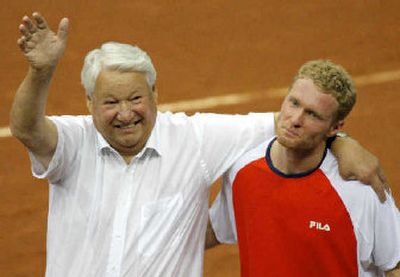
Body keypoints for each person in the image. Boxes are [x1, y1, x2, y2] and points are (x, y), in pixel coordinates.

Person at [10, 12, 390, 277]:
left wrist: (341, 141)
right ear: (89, 103)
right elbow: (28, 129)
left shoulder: (196, 140)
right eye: (110, 102)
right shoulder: (74, 142)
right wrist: (41, 73)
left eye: (136, 99)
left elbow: (292, 124)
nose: (126, 113)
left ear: (156, 94)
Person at [208, 60, 400, 276]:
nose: (295, 120)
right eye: (294, 103)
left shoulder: (361, 191)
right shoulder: (242, 170)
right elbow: (215, 229)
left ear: (335, 128)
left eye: (313, 114)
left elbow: (395, 266)